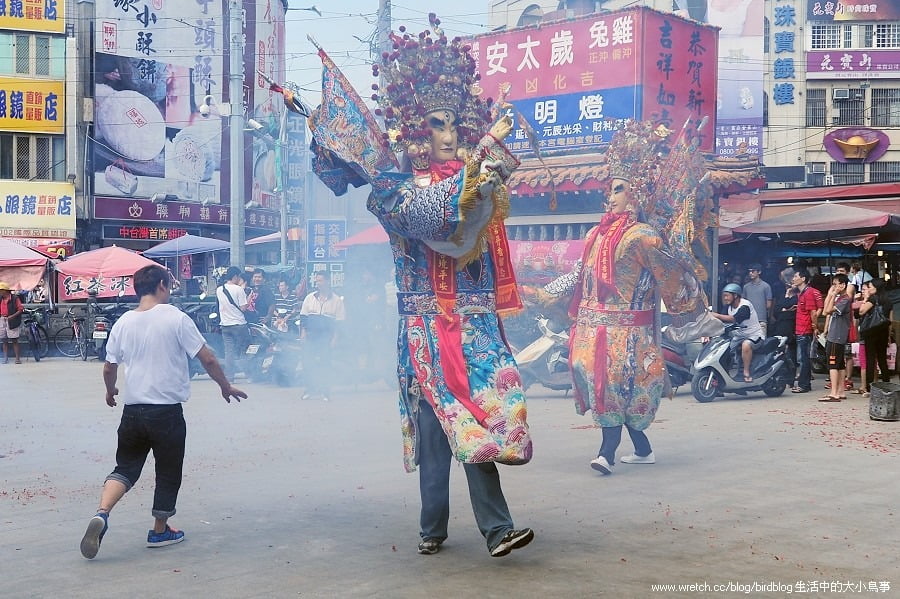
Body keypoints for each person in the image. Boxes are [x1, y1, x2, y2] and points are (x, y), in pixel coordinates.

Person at [310, 15, 534, 557]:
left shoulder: (474, 180)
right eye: (437, 124)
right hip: (426, 329)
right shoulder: (394, 189)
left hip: (475, 328)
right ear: (415, 128)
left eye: (456, 124)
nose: (450, 134)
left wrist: (485, 160)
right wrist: (480, 156)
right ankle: (445, 527)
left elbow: (480, 200)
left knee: (482, 417)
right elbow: (433, 221)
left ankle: (487, 528)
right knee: (441, 433)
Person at [531, 120, 710, 476]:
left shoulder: (644, 237)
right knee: (602, 387)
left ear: (636, 194)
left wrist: (689, 309)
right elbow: (582, 275)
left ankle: (607, 452)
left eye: (619, 189)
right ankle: (641, 449)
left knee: (612, 389)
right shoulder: (596, 234)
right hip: (591, 328)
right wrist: (546, 293)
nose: (610, 196)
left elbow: (672, 280)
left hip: (628, 336)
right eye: (611, 189)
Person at [79, 265, 246, 560]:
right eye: (168, 285)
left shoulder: (124, 322)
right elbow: (207, 357)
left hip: (132, 411)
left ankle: (102, 513)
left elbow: (109, 367)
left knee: (126, 467)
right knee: (167, 472)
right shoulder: (176, 318)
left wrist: (110, 391)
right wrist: (225, 386)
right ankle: (159, 530)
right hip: (166, 412)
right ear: (160, 286)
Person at [299, 272, 345, 401]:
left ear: (328, 281)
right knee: (308, 364)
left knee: (325, 364)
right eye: (317, 281)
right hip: (311, 337)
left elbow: (339, 323)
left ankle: (325, 391)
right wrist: (303, 333)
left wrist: (335, 339)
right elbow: (304, 317)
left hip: (326, 338)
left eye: (320, 280)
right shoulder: (310, 298)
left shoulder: (336, 300)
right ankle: (310, 389)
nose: (318, 283)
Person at [711, 283, 765, 382]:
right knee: (723, 349)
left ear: (735, 295)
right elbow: (721, 320)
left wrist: (715, 315)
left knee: (746, 345)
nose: (725, 298)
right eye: (724, 296)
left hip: (754, 335)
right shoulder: (728, 306)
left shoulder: (745, 306)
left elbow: (733, 319)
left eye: (727, 295)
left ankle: (746, 372)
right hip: (738, 335)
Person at [819, 273, 852, 402]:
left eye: (835, 284)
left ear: (842, 285)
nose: (833, 287)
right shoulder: (841, 299)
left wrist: (832, 295)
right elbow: (825, 310)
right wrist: (831, 294)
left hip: (836, 336)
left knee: (833, 364)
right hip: (838, 335)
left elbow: (826, 311)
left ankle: (834, 393)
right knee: (840, 364)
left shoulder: (844, 300)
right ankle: (840, 391)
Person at [791, 268, 823, 394]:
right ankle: (805, 384)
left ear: (803, 279)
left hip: (804, 329)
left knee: (803, 359)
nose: (793, 278)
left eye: (795, 276)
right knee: (803, 358)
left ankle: (803, 385)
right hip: (801, 329)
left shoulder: (808, 293)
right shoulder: (802, 293)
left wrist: (814, 327)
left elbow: (813, 312)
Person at [216, 266, 250, 383]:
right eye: (239, 277)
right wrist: (247, 295)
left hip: (225, 325)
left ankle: (230, 377)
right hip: (239, 325)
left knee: (229, 352)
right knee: (245, 350)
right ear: (235, 276)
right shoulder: (239, 290)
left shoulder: (219, 289)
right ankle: (249, 374)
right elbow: (243, 308)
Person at [858, 279, 891, 398]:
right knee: (882, 359)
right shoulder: (888, 301)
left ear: (876, 288)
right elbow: (889, 320)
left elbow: (861, 311)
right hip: (883, 332)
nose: (869, 289)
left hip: (871, 332)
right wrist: (888, 336)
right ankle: (887, 384)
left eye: (870, 287)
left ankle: (868, 387)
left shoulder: (873, 299)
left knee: (870, 359)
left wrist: (866, 298)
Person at [742, 264, 772, 337]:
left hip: (761, 320)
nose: (750, 273)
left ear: (759, 272)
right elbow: (743, 303)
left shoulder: (766, 286)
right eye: (749, 271)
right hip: (748, 321)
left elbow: (769, 305)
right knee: (748, 343)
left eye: (753, 271)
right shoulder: (746, 287)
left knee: (761, 343)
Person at [0, 281, 24, 364]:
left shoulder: (14, 298)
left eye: (1, 290)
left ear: (5, 290)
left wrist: (12, 316)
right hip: (2, 319)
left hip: (12, 320)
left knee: (14, 340)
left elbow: (20, 309)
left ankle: (17, 358)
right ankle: (5, 358)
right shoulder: (0, 298)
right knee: (4, 340)